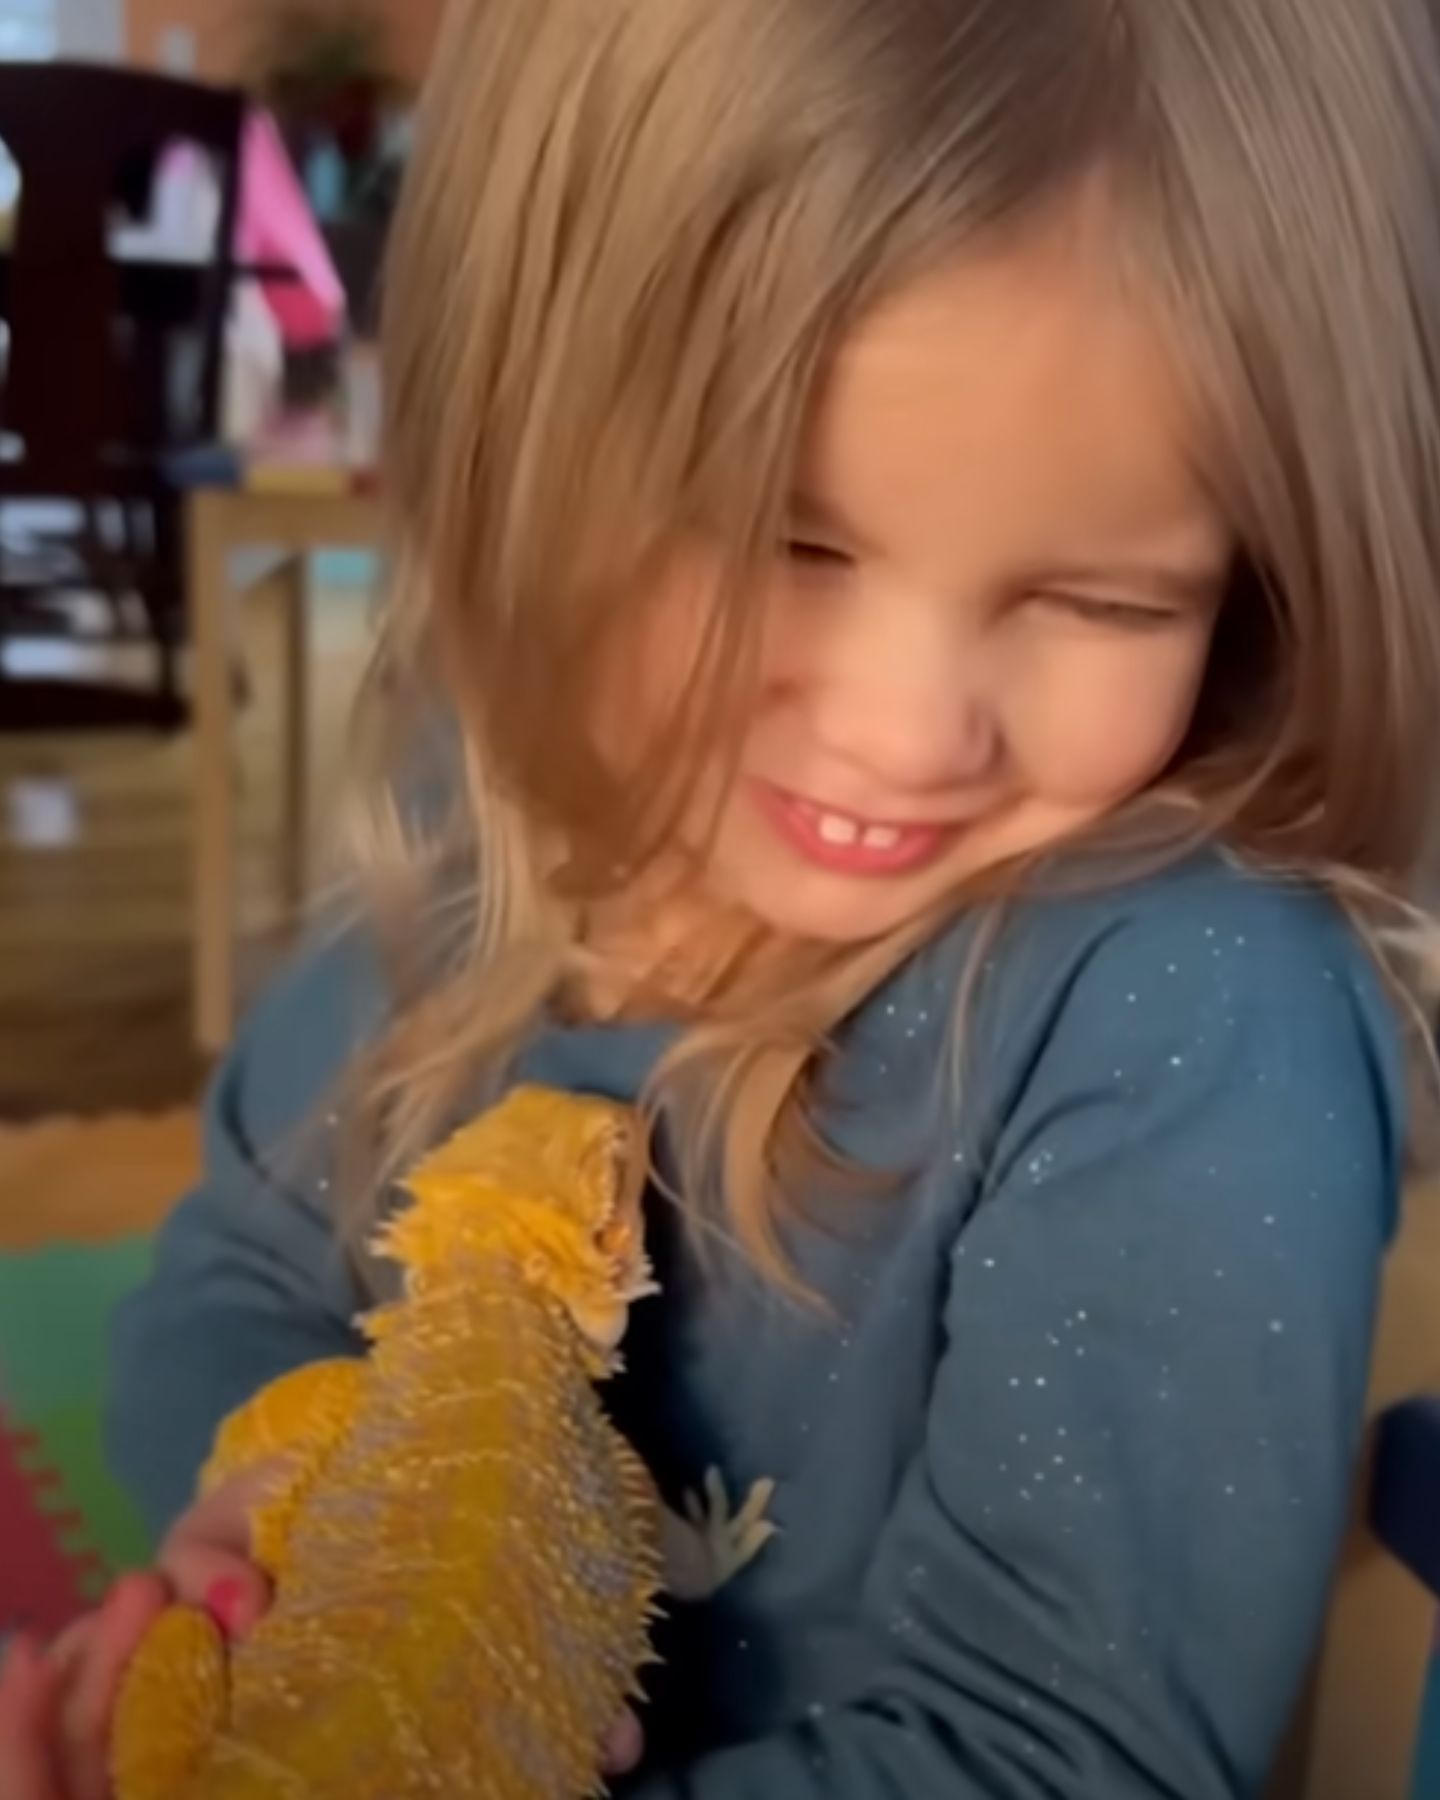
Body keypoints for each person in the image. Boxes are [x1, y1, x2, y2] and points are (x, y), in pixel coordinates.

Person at [5, 0, 1440, 1793]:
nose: (908, 737)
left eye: (1105, 601)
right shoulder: (510, 814)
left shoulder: (1197, 1020)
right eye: (789, 538)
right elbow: (235, 1274)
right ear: (525, 437)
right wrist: (289, 1496)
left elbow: (1067, 1755)